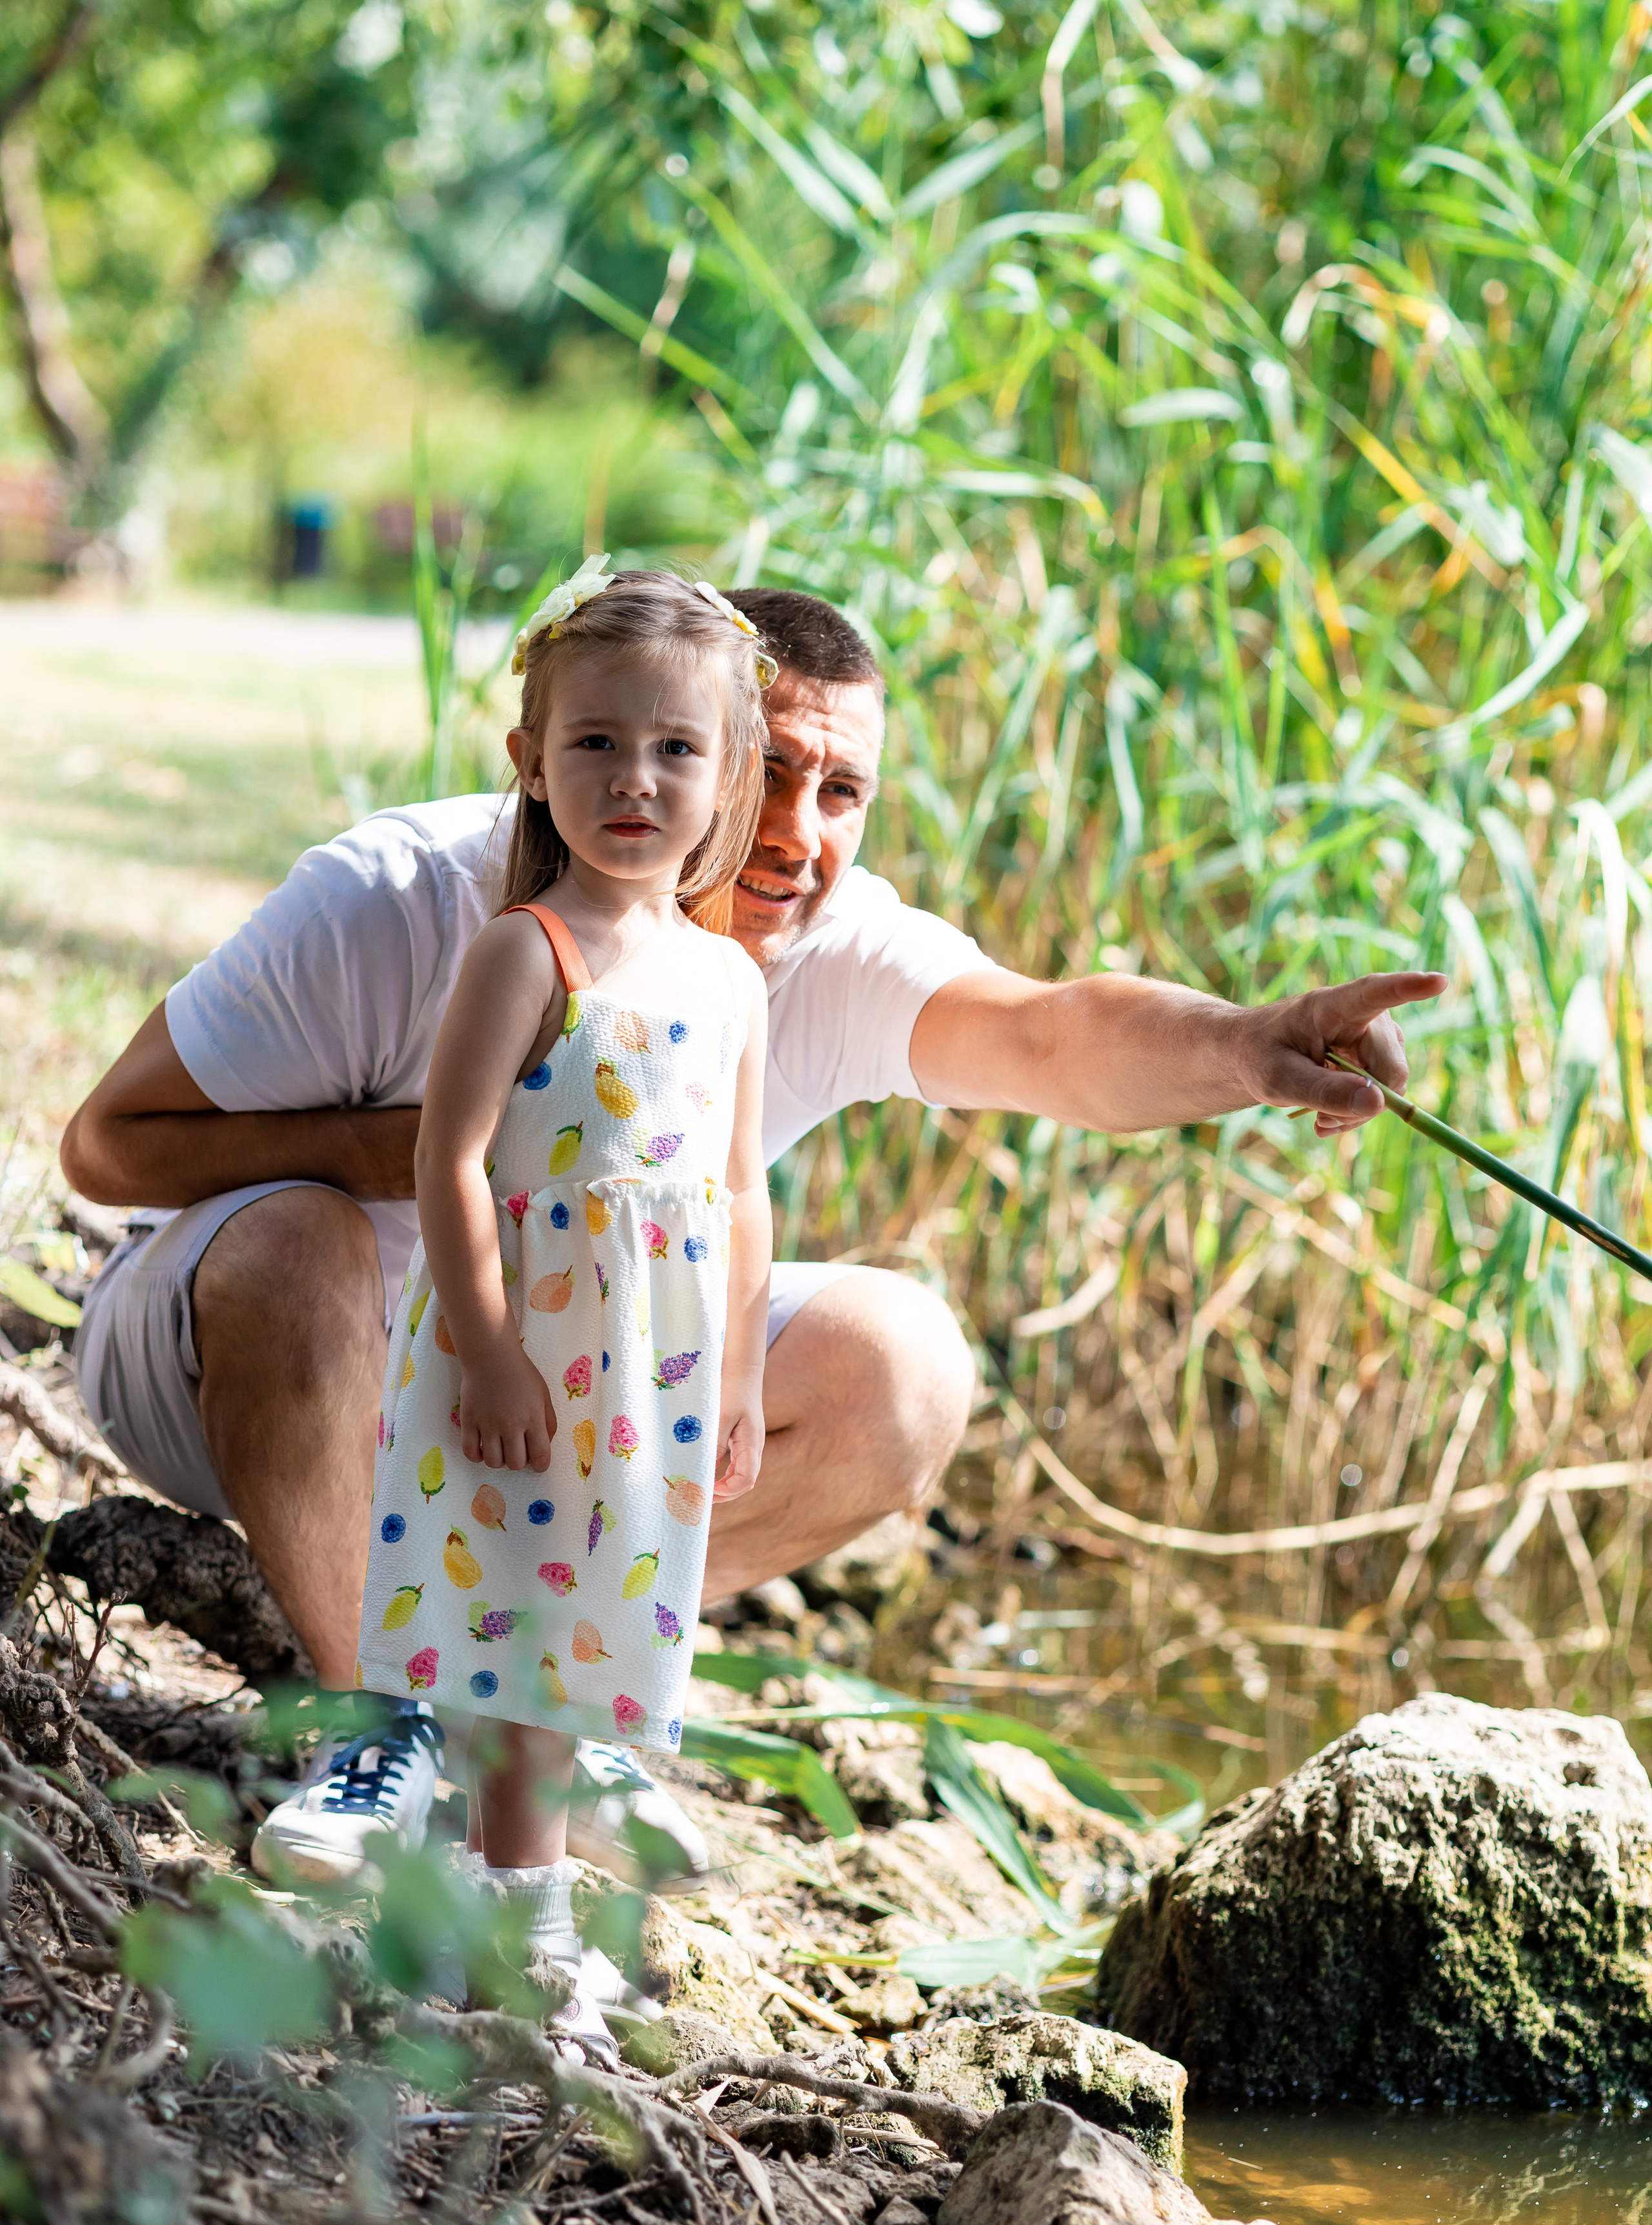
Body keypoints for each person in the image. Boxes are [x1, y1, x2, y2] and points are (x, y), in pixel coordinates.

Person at [62, 582, 1447, 1898]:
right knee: (303, 1244)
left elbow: (1048, 1032)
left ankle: (561, 1671)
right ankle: (385, 1722)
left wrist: (1247, 1043)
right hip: (241, 1359)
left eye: (841, 791)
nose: (798, 831)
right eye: (769, 769)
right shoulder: (413, 895)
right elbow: (109, 1147)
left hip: (569, 1415)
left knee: (900, 1366)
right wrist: (397, 1151)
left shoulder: (803, 950)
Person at [359, 557, 771, 2055]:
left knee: (590, 1629)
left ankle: (486, 1879)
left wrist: (730, 1380)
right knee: (511, 1624)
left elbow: (738, 1192)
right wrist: (484, 1348)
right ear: (531, 759)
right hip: (528, 1351)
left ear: (729, 778)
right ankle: (513, 1914)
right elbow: (447, 1158)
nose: (634, 780)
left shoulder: (726, 980)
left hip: (649, 1367)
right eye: (594, 742)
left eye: (676, 749)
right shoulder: (522, 950)